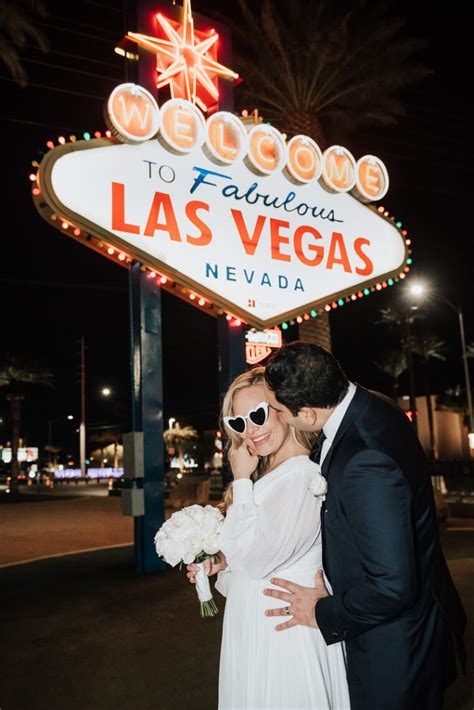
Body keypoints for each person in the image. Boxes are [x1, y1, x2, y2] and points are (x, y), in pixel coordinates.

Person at [261, 342, 467, 710]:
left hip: (394, 647)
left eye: (277, 409)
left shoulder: (364, 460)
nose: (274, 416)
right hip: (406, 623)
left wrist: (322, 613)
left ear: (307, 415)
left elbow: (393, 586)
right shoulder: (375, 404)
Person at [187, 366, 350, 709]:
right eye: (238, 422)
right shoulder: (267, 477)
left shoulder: (303, 475)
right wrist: (220, 563)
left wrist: (242, 480)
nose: (251, 430)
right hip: (253, 620)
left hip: (285, 630)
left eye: (258, 414)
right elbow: (252, 555)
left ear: (283, 409)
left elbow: (257, 558)